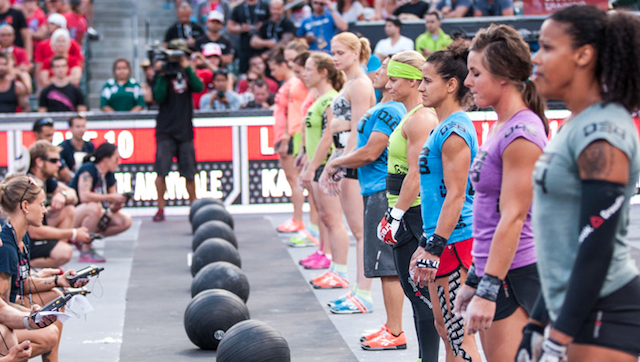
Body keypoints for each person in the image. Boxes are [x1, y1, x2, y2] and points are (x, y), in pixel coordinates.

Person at [514, 6, 640, 362]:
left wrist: (558, 337)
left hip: (604, 312)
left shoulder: (603, 132)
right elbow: (561, 248)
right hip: (571, 307)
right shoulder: (576, 123)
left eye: (548, 48)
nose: (536, 58)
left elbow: (595, 247)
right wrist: (536, 323)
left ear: (584, 54)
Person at [445, 24, 548, 361]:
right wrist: (476, 277)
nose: (468, 81)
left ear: (503, 76)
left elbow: (514, 217)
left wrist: (487, 287)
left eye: (475, 73)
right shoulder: (502, 125)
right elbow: (489, 215)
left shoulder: (522, 132)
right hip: (496, 270)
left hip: (514, 273)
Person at [362, 52, 440, 359]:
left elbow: (416, 173)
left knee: (421, 296)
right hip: (406, 211)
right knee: (414, 293)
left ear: (412, 80)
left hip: (413, 213)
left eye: (394, 79)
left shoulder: (421, 118)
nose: (388, 84)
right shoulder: (408, 115)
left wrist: (395, 215)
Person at [410, 42, 482, 361]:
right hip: (443, 239)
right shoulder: (442, 126)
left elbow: (456, 194)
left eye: (427, 81)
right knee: (446, 328)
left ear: (451, 85)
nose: (420, 87)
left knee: (458, 333)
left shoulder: (454, 129)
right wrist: (427, 241)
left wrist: (434, 246)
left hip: (456, 241)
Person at [0, 174, 87, 362]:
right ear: (25, 206)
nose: (45, 210)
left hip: (13, 306)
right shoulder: (6, 247)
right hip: (6, 317)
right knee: (49, 333)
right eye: (40, 204)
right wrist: (30, 317)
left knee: (56, 295)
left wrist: (57, 280)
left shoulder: (21, 237)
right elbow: (3, 307)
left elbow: (20, 282)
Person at [298, 52, 350, 282]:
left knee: (332, 219)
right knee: (324, 216)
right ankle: (326, 255)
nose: (304, 74)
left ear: (323, 72)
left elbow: (328, 135)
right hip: (317, 163)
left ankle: (339, 269)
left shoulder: (330, 98)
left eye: (309, 69)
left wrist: (313, 167)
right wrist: (305, 156)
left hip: (326, 163)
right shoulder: (318, 98)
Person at [152, 42, 203, 222]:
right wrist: (162, 74)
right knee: (161, 171)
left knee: (189, 172)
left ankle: (194, 207)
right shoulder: (163, 73)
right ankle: (160, 208)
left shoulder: (187, 73)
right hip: (166, 129)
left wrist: (187, 68)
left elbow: (198, 87)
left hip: (184, 129)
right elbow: (158, 97)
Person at [27, 140, 93, 268]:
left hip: (31, 235)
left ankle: (53, 268)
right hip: (22, 241)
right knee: (64, 252)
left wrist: (61, 195)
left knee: (68, 209)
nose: (59, 164)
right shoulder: (30, 185)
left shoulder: (45, 180)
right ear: (39, 162)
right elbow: (34, 232)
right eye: (54, 160)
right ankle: (20, 268)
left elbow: (72, 194)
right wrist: (73, 233)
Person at [69, 143, 132, 262]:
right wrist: (111, 196)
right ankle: (85, 249)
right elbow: (84, 196)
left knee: (125, 220)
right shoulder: (89, 168)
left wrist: (117, 202)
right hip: (72, 215)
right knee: (93, 207)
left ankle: (84, 239)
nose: (119, 162)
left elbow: (111, 207)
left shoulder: (109, 175)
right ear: (105, 159)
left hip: (94, 214)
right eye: (116, 159)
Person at [267, 47, 307, 232]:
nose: (273, 73)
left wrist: (285, 138)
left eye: (274, 69)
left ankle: (298, 219)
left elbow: (292, 113)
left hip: (289, 135)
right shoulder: (289, 85)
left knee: (294, 180)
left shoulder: (293, 85)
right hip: (284, 134)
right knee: (292, 179)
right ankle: (296, 218)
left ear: (283, 65)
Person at [227, 0, 270, 73]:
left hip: (262, 46)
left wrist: (263, 25)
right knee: (245, 73)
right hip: (244, 46)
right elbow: (229, 27)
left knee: (264, 72)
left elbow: (273, 20)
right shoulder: (239, 8)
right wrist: (241, 28)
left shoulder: (265, 6)